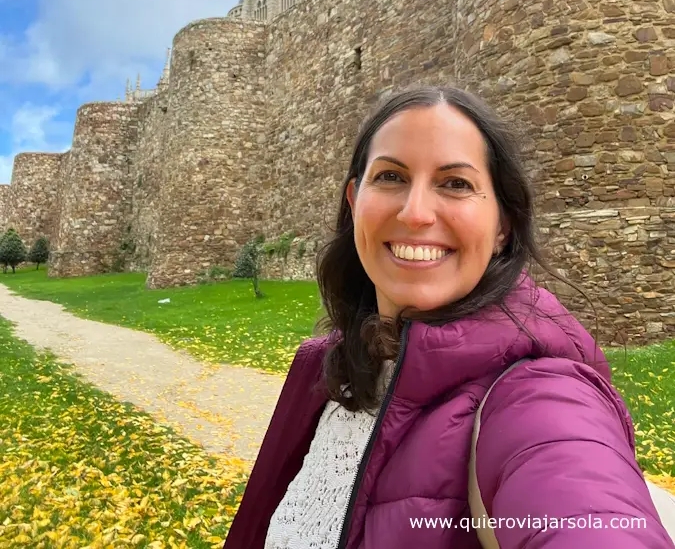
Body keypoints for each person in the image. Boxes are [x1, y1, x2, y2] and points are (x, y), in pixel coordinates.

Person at [224, 85, 674, 548]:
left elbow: (581, 501)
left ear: (503, 225)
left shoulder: (541, 398)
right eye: (391, 177)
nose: (415, 212)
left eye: (456, 183)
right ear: (355, 202)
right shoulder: (329, 373)